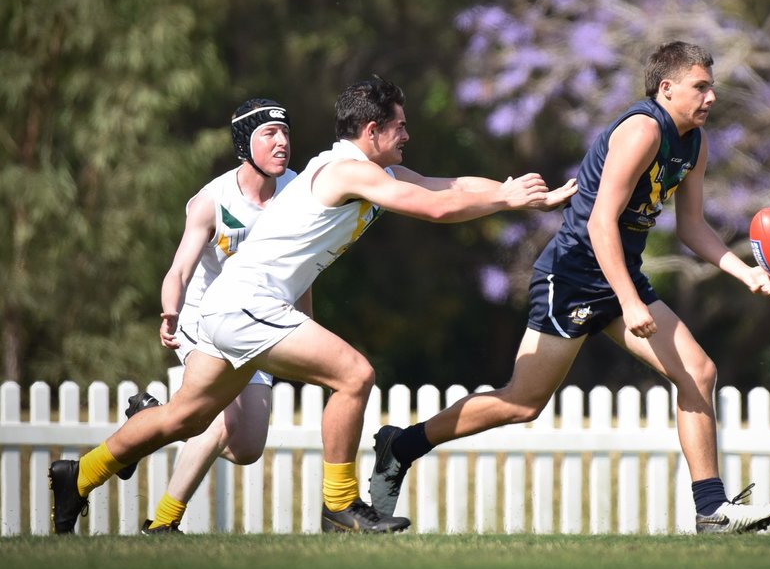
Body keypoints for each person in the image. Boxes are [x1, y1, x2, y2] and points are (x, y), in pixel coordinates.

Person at [49, 76, 577, 535]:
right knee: (355, 375)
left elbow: (447, 186)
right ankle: (340, 505)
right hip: (247, 306)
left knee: (185, 418)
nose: (407, 136)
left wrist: (511, 190)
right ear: (372, 131)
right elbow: (435, 208)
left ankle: (81, 474)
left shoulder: (370, 170)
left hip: (230, 307)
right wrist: (507, 199)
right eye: (400, 127)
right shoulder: (347, 171)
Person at [368, 41, 770, 534]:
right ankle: (402, 446)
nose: (711, 96)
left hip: (619, 275)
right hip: (571, 278)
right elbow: (599, 223)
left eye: (711, 87)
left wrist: (746, 272)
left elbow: (693, 226)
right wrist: (630, 302)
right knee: (522, 403)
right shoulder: (642, 130)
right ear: (667, 88)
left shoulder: (694, 141)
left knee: (698, 372)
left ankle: (711, 511)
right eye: (700, 86)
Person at [115, 98, 297, 534]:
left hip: (257, 323)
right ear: (244, 143)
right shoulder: (212, 201)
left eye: (286, 133)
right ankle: (162, 524)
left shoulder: (298, 192)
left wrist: (304, 328)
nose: (282, 142)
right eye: (270, 134)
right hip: (203, 322)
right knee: (216, 420)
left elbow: (302, 269)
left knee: (247, 446)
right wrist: (170, 311)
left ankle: (148, 421)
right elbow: (179, 270)